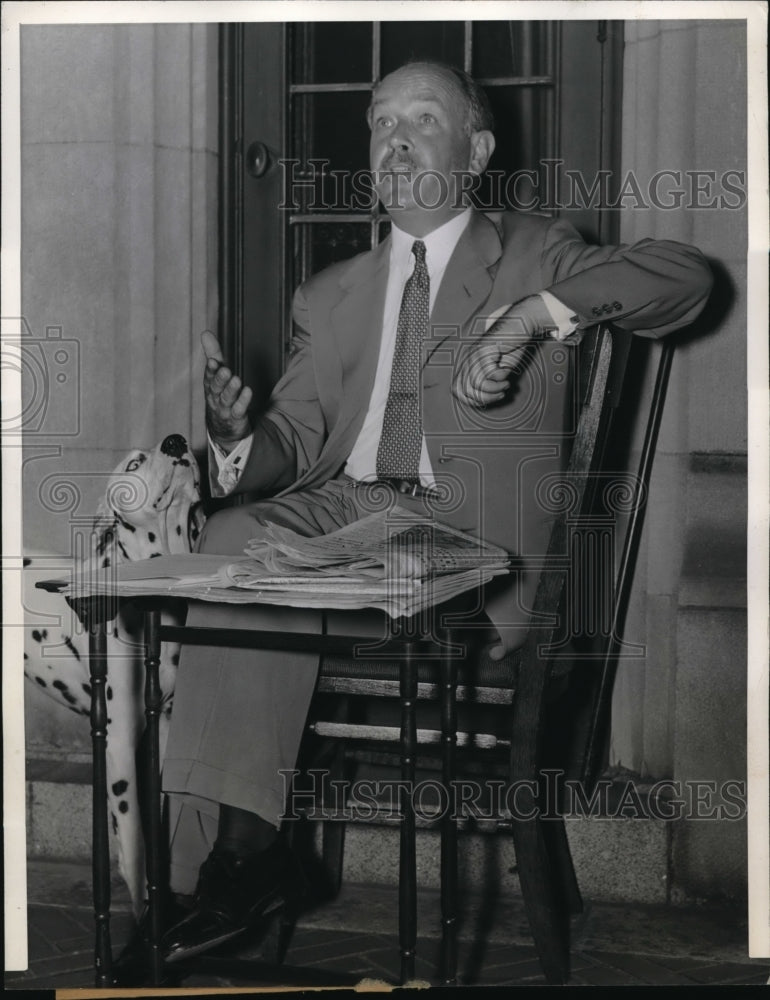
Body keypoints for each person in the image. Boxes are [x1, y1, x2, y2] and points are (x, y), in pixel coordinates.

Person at [159, 60, 713, 962]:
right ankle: (238, 860)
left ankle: (236, 866)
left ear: (477, 149)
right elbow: (292, 447)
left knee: (280, 572)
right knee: (230, 537)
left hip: (466, 540)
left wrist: (535, 315)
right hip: (348, 515)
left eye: (422, 117)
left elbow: (685, 278)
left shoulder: (537, 250)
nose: (395, 137)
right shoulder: (329, 294)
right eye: (380, 121)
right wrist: (235, 437)